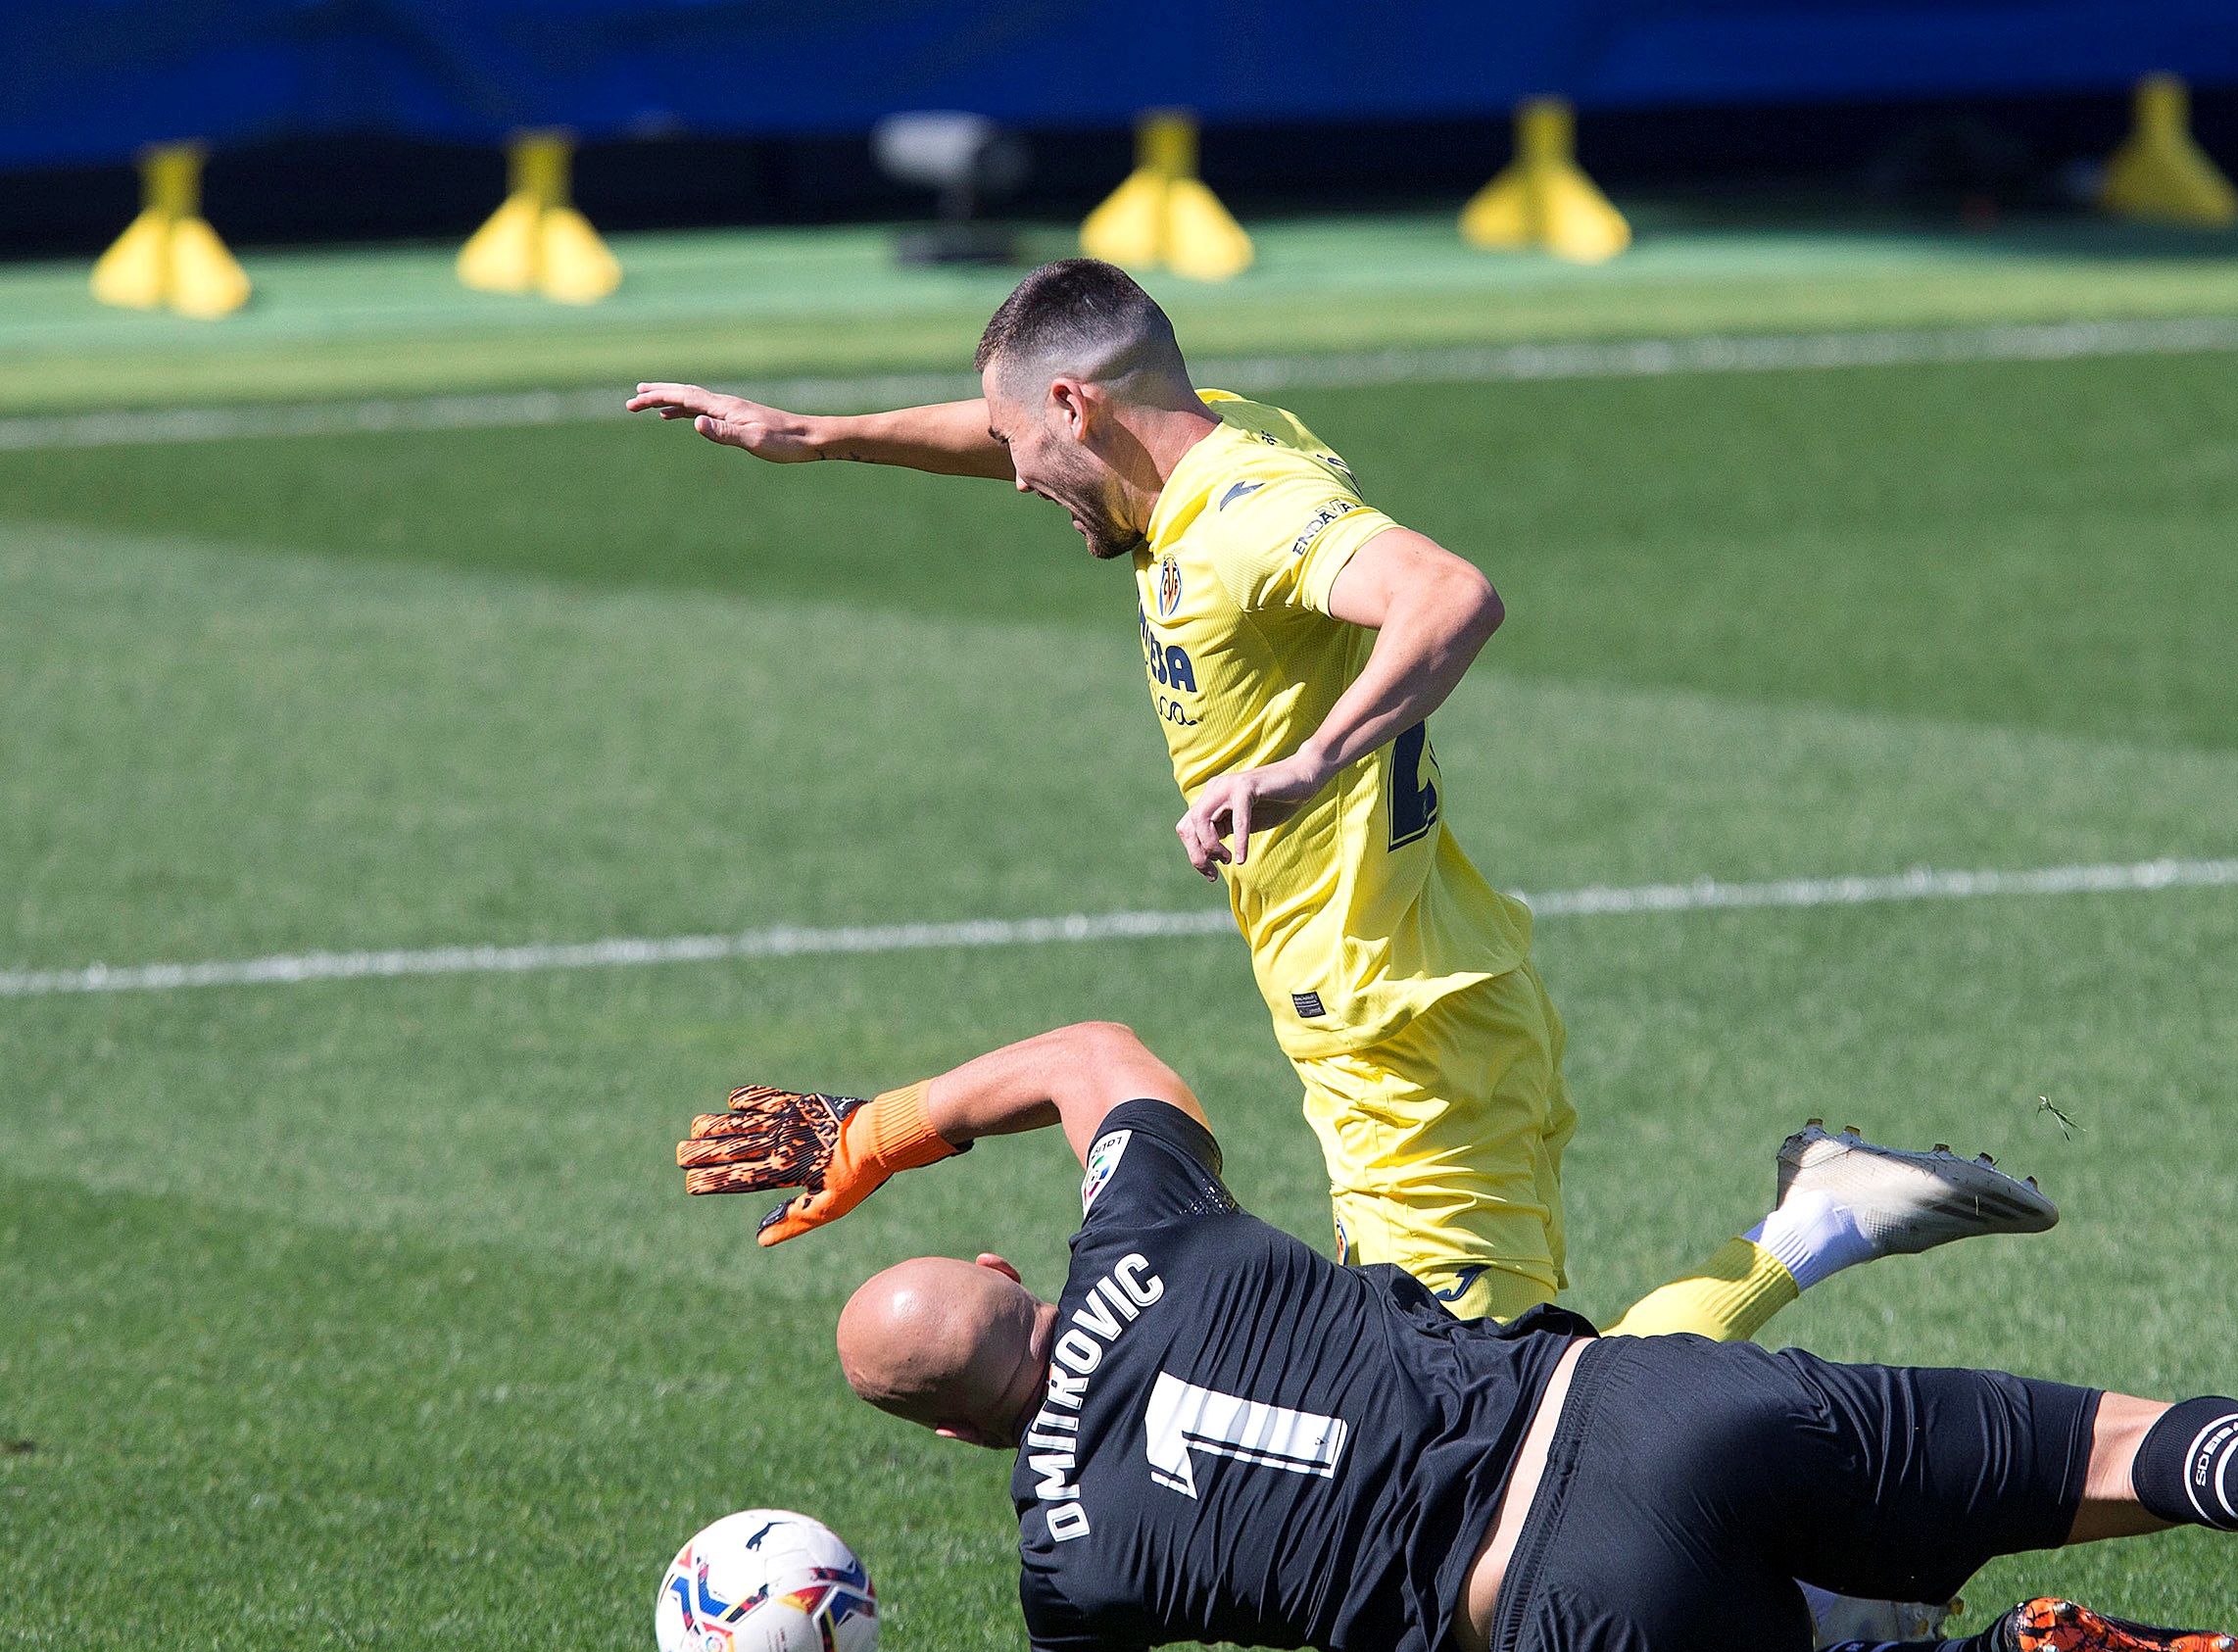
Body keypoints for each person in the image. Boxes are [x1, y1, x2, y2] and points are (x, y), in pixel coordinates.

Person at [632, 258, 2039, 1340]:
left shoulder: (1244, 507)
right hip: (1375, 1001)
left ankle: (1814, 1230)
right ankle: (1816, 1230)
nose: (1011, 477)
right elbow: (1004, 424)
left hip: (1406, 1031)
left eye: (1021, 444)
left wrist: (1312, 758)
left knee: (1505, 1429)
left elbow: (1450, 594)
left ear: (1079, 408)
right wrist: (820, 434)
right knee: (1477, 1410)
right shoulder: (1198, 447)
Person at [676, 1021, 2238, 1652]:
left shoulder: (1065, 1552)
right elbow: (1095, 1052)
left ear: (955, 1438)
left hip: (1563, 1614)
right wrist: (878, 1127)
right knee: (2064, 1443)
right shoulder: (1149, 1234)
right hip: (1646, 1402)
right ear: (1009, 1271)